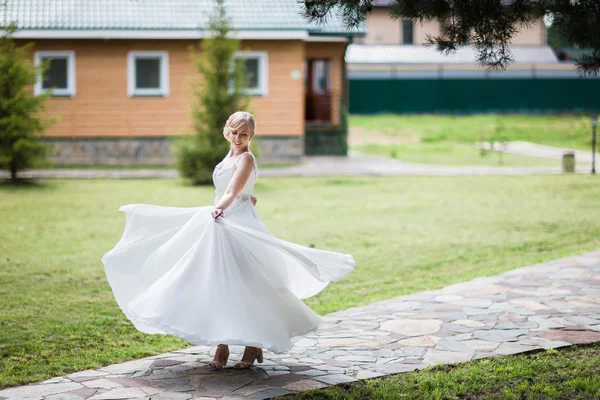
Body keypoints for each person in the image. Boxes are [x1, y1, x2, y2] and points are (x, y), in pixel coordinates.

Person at [101, 111, 355, 370]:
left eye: (243, 134)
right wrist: (243, 199)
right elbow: (233, 189)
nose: (238, 137)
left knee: (245, 283)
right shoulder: (228, 157)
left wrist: (221, 208)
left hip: (235, 222)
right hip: (220, 223)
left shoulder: (246, 158)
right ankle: (221, 344)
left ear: (251, 135)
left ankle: (252, 344)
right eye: (234, 132)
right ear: (227, 131)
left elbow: (233, 192)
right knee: (213, 281)